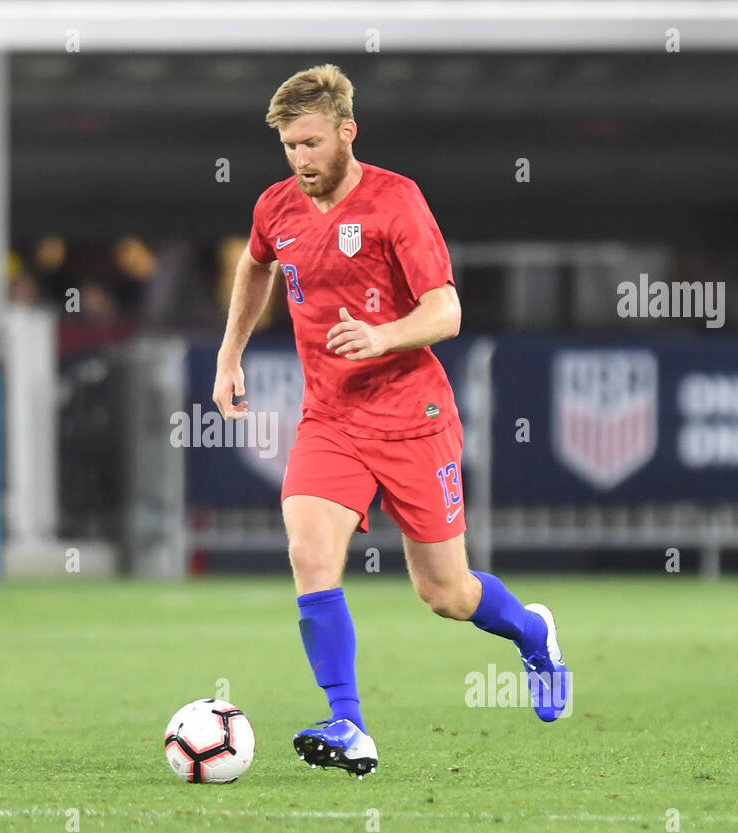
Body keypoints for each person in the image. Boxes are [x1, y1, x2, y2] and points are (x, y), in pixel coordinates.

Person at [212, 64, 569, 778]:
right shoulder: (276, 207)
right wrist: (230, 354)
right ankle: (347, 721)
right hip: (330, 420)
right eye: (289, 146)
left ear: (347, 132)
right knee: (310, 554)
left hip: (413, 417)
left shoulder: (396, 201)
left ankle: (533, 632)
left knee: (446, 593)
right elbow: (257, 266)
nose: (300, 160)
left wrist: (380, 336)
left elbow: (447, 309)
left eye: (311, 143)